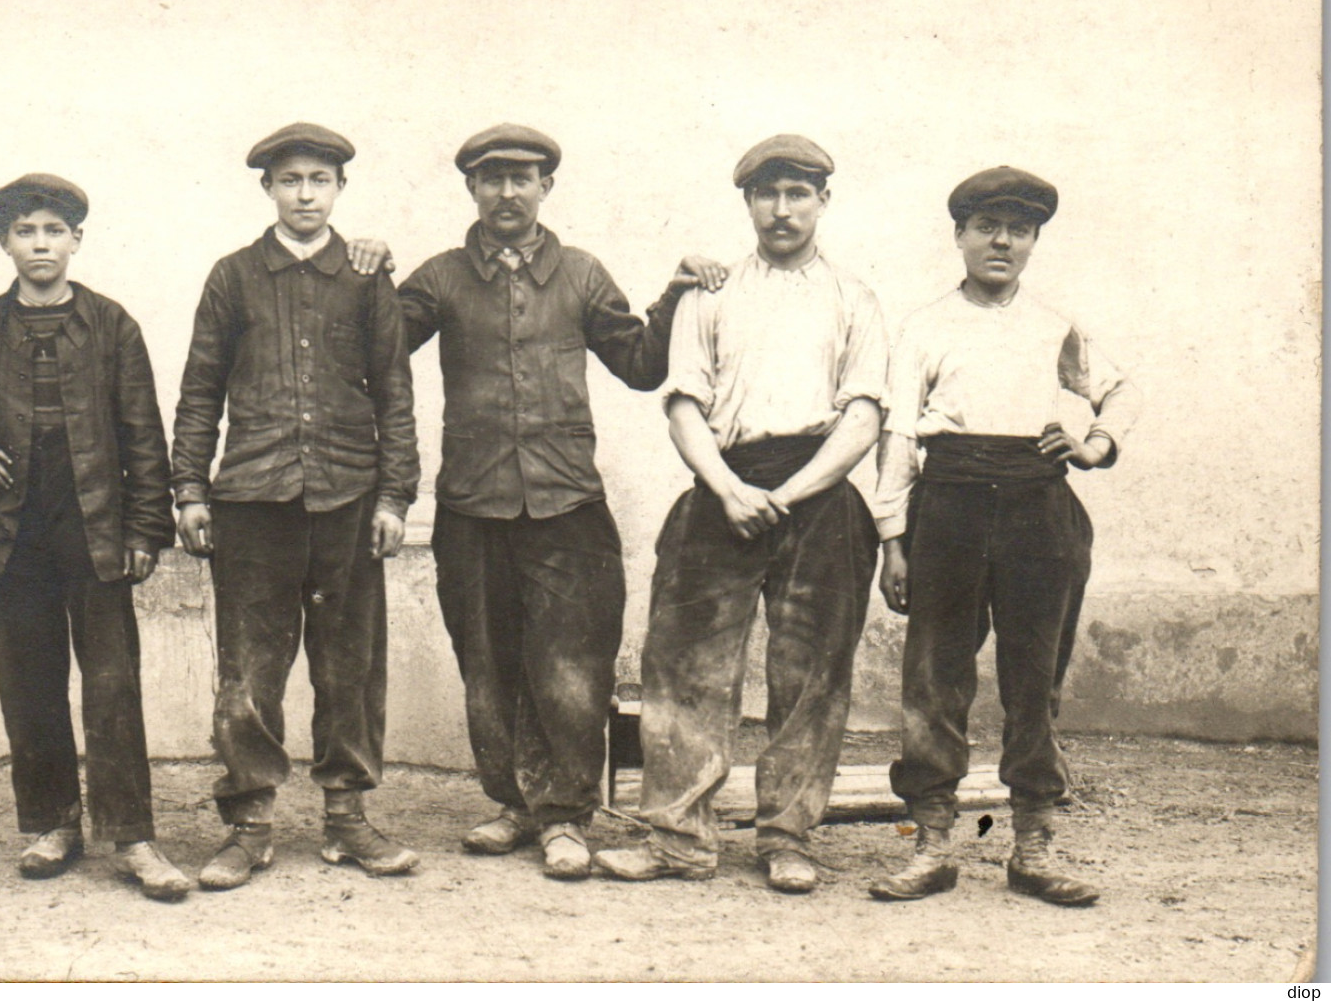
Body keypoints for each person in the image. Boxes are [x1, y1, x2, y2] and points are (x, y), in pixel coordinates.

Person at [396, 124, 706, 879]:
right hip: (471, 504)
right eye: (492, 178)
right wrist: (362, 270)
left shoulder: (580, 273)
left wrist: (677, 292)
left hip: (567, 503)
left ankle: (565, 817)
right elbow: (371, 348)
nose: (507, 192)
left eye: (522, 178)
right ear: (471, 188)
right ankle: (512, 805)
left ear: (546, 188)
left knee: (570, 669)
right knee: (487, 664)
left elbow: (637, 364)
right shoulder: (438, 278)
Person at [594, 135, 887, 894]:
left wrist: (789, 497)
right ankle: (678, 839)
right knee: (684, 666)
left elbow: (862, 418)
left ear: (823, 200)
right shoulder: (710, 292)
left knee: (810, 675)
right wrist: (726, 488)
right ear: (747, 203)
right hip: (722, 487)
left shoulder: (853, 297)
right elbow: (683, 402)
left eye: (797, 193)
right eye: (766, 194)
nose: (781, 209)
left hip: (818, 497)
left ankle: (787, 836)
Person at [0, 173, 190, 901]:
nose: (41, 244)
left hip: (98, 529)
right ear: (5, 244)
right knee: (30, 684)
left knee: (113, 685)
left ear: (76, 241)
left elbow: (144, 435)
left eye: (54, 230)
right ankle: (53, 824)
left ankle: (134, 838)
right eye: (26, 232)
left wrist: (147, 528)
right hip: (18, 529)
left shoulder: (112, 325)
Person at [866, 167, 1141, 906]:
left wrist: (1093, 444)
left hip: (1036, 509)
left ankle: (1033, 848)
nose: (1000, 241)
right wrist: (891, 537)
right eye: (985, 225)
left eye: (1017, 229)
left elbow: (1119, 390)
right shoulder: (922, 326)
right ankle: (928, 846)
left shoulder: (1055, 327)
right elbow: (896, 433)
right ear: (958, 236)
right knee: (933, 678)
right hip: (947, 503)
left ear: (1032, 242)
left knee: (1033, 681)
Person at [170, 123, 420, 888]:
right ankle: (249, 825)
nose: (305, 194)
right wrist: (188, 488)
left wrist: (394, 497)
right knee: (249, 671)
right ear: (267, 191)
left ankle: (347, 821)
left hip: (347, 498)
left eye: (319, 180)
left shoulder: (367, 277)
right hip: (251, 497)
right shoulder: (233, 276)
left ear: (339, 188)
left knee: (349, 668)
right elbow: (199, 391)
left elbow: (396, 397)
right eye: (290, 181)